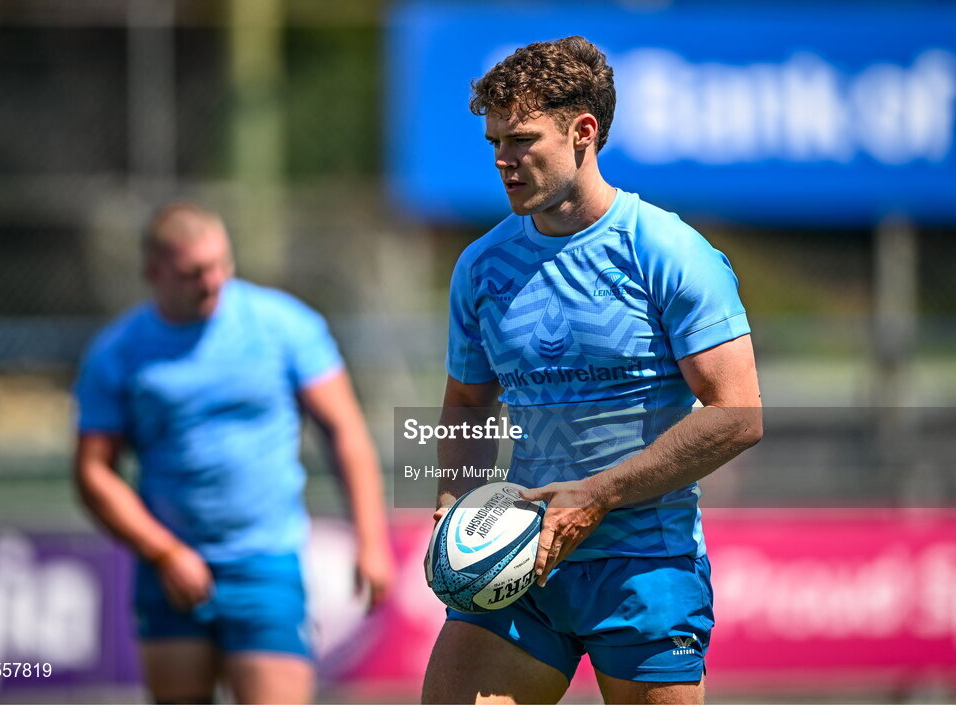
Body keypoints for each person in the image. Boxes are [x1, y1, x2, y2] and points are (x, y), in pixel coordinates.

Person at [422, 36, 762, 705]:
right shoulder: (482, 267)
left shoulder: (668, 252)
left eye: (521, 139)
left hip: (644, 566)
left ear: (584, 132)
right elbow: (467, 400)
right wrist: (452, 498)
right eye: (494, 141)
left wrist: (598, 494)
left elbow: (737, 413)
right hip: (519, 565)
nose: (502, 159)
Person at [73, 202, 394, 704]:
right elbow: (93, 474)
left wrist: (372, 540)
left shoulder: (284, 325)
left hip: (266, 563)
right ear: (153, 272)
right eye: (194, 272)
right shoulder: (118, 352)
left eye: (222, 264)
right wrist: (164, 551)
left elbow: (345, 431)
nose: (214, 280)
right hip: (171, 572)